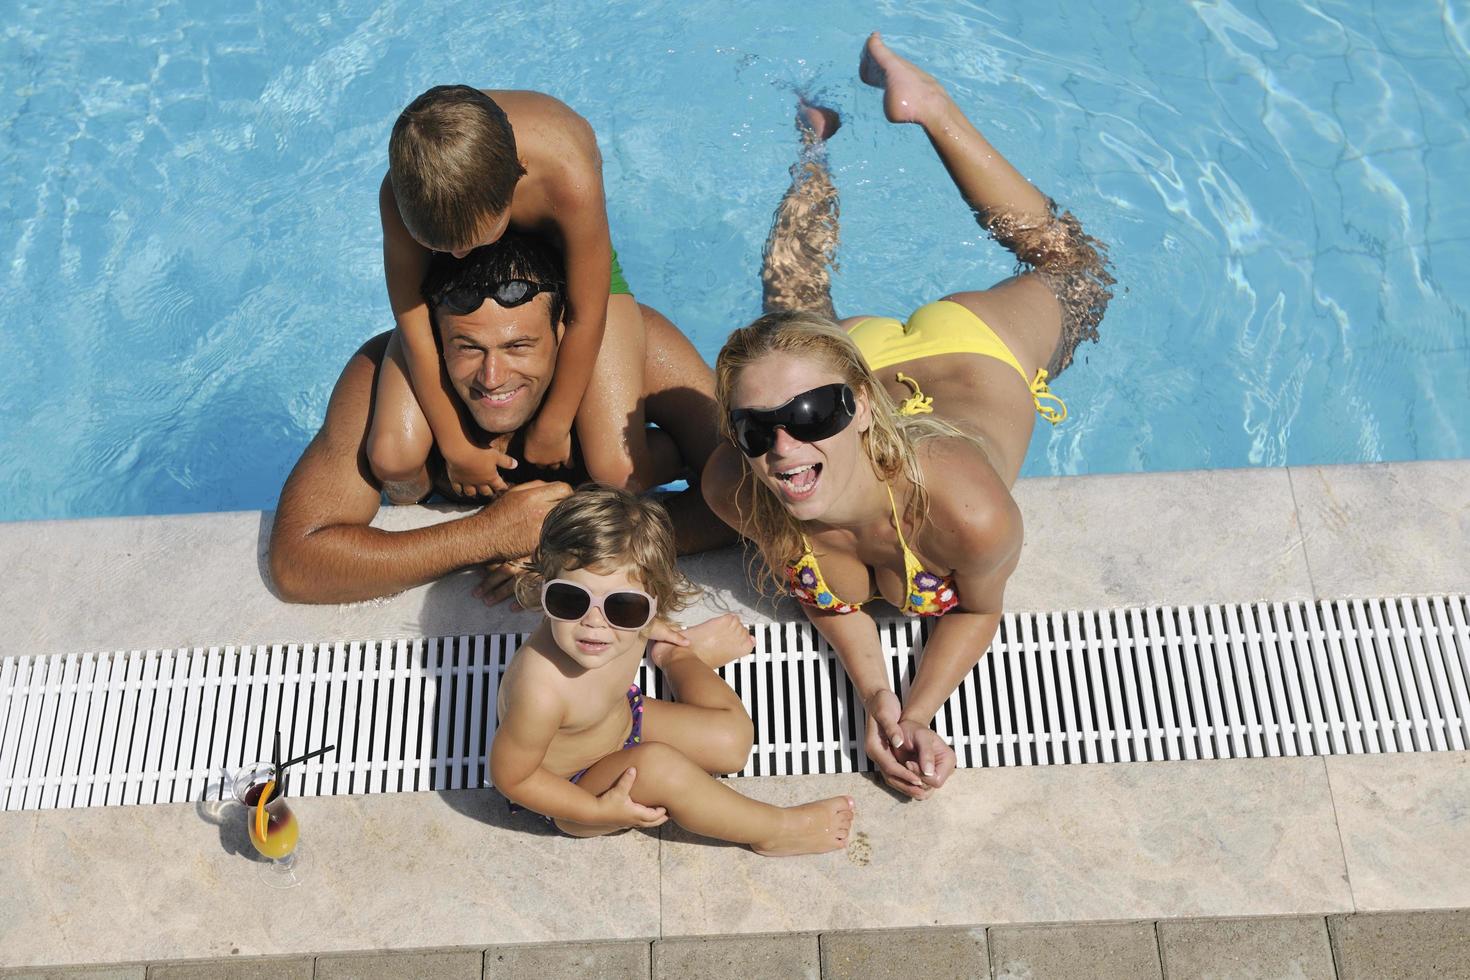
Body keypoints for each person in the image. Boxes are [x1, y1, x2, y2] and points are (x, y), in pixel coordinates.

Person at [703, 34, 1115, 800]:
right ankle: (812, 145)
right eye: (756, 428)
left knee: (1079, 271)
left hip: (971, 350)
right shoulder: (742, 481)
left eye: (808, 416)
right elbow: (827, 597)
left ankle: (931, 108)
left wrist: (926, 706)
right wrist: (883, 702)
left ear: (856, 408)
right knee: (789, 322)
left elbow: (980, 610)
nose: (783, 447)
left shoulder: (967, 509)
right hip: (845, 357)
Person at [269, 231, 729, 605]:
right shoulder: (380, 378)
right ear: (434, 339)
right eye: (467, 347)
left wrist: (578, 545)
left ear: (563, 331)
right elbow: (297, 563)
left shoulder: (640, 355)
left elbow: (754, 495)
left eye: (518, 347)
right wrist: (484, 537)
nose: (492, 378)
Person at [489, 484, 856, 854]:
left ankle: (676, 656)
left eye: (625, 608)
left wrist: (652, 629)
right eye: (570, 600)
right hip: (575, 789)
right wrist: (595, 808)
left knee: (732, 742)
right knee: (659, 767)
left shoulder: (626, 624)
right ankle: (775, 830)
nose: (594, 623)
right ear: (544, 592)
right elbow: (513, 778)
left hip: (621, 722)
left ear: (652, 605)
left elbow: (620, 609)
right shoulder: (542, 691)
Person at [371, 85, 682, 501]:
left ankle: (673, 454)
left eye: (473, 239)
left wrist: (555, 424)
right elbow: (412, 323)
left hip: (561, 254)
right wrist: (455, 446)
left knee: (615, 467)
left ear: (516, 179)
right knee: (394, 458)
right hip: (462, 282)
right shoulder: (402, 192)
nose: (460, 255)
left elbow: (585, 315)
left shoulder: (567, 180)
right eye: (440, 248)